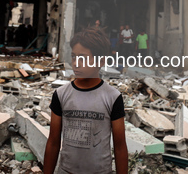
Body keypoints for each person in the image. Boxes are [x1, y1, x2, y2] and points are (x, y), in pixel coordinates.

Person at [44, 27, 128, 174]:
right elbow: (53, 142)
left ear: (100, 61)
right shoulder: (61, 94)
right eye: (73, 56)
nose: (76, 63)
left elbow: (120, 147)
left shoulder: (112, 97)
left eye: (83, 57)